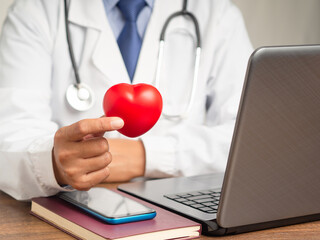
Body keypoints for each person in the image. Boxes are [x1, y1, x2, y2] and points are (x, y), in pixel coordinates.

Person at [0, 0, 253, 200]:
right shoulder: (35, 10)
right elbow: (11, 134)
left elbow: (251, 137)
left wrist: (145, 156)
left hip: (180, 207)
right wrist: (53, 163)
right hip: (71, 208)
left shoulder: (217, 14)